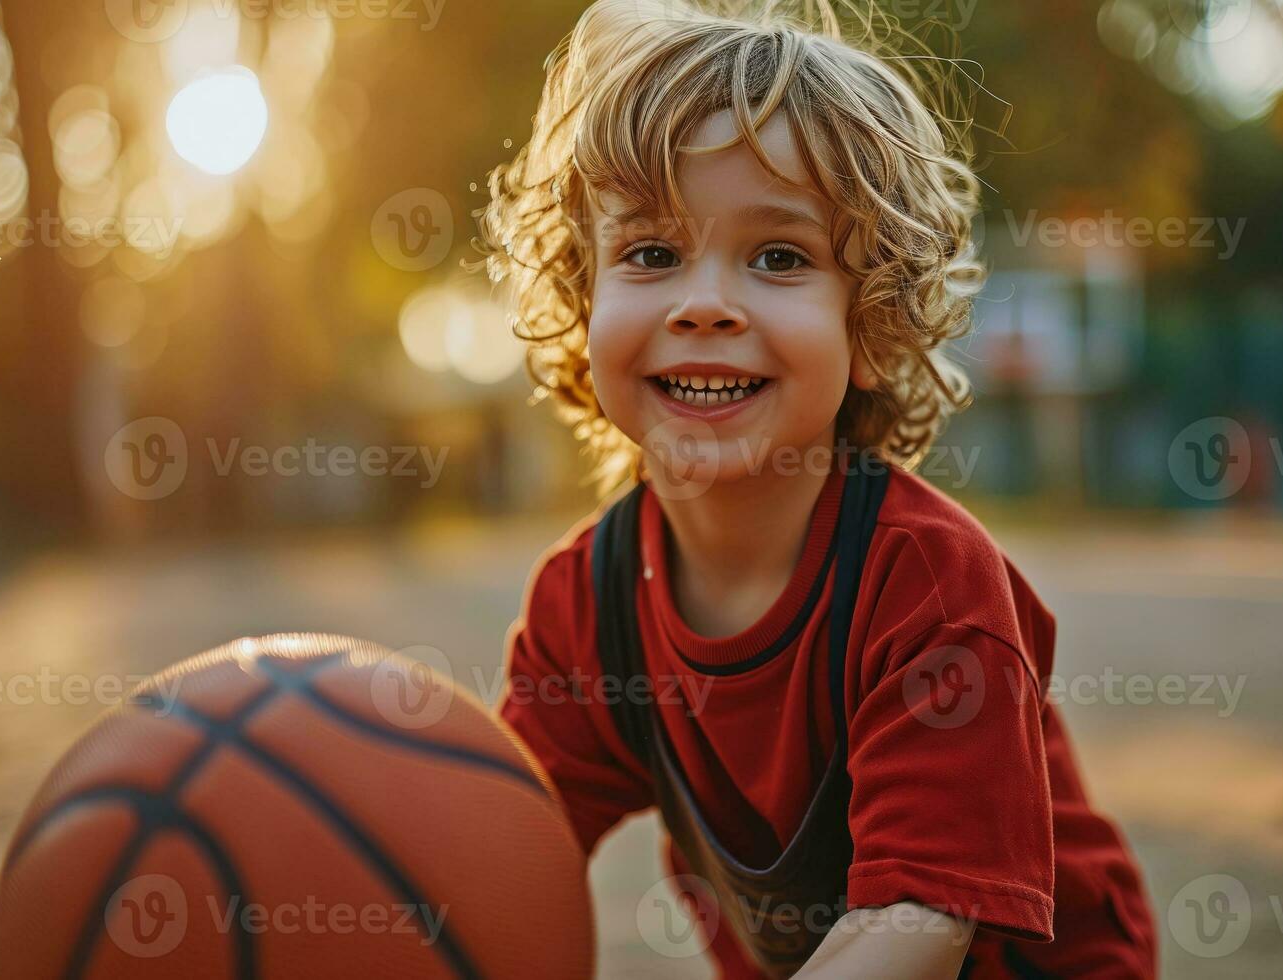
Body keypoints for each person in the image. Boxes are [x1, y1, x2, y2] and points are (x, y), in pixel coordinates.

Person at [482, 2, 1157, 975]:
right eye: (652, 252)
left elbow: (917, 920)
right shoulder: (583, 602)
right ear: (583, 296)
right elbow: (495, 840)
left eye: (779, 256)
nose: (704, 302)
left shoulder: (927, 584)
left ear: (873, 326)